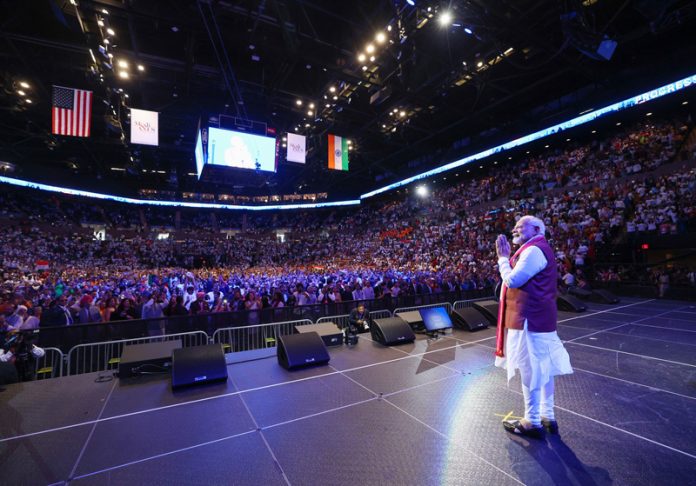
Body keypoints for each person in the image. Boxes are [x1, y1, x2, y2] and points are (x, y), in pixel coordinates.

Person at [494, 215, 573, 439]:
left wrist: (502, 259)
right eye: (515, 227)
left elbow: (512, 281)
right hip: (539, 318)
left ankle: (531, 421)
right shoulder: (537, 249)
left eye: (520, 227)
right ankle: (547, 416)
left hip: (528, 319)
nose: (514, 230)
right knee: (544, 369)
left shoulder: (534, 250)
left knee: (530, 369)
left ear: (537, 228)